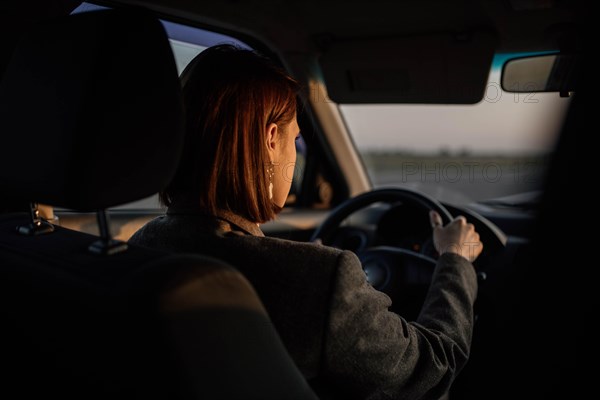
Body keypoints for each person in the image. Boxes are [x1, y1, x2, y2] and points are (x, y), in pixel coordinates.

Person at [129, 44, 483, 400]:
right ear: (270, 140)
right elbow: (435, 369)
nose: (294, 153)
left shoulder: (137, 250)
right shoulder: (319, 277)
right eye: (294, 139)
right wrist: (455, 259)